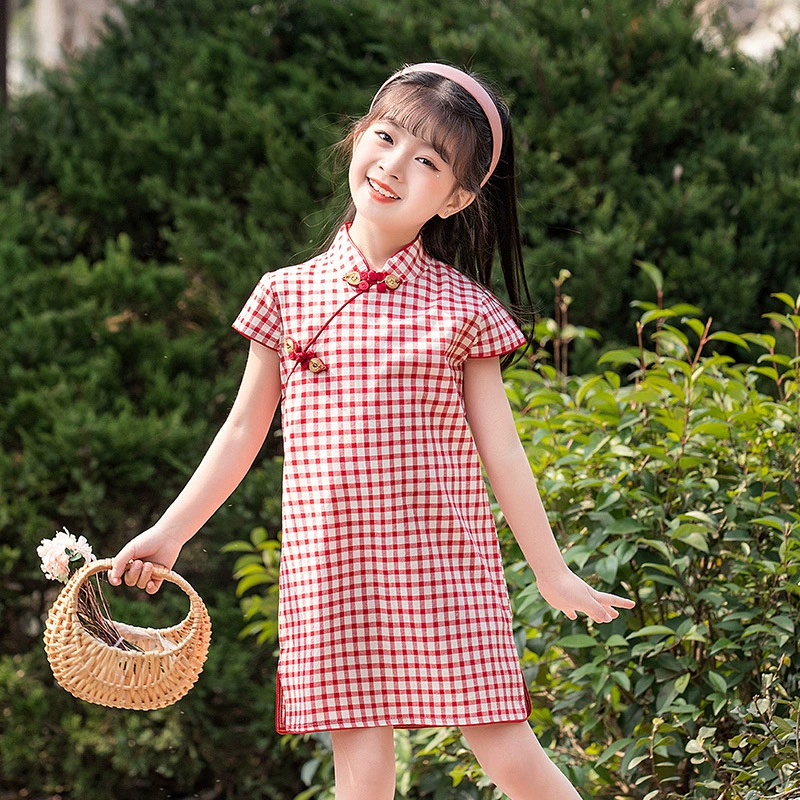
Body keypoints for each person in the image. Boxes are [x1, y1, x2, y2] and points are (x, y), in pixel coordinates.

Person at [110, 62, 635, 800]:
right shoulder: (286, 294)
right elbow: (241, 432)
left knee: (506, 749)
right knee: (360, 777)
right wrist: (170, 534)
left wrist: (549, 569)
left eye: (428, 161)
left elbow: (503, 451)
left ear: (456, 198)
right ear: (358, 136)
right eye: (386, 138)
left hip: (444, 564)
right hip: (333, 565)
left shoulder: (463, 311)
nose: (393, 166)